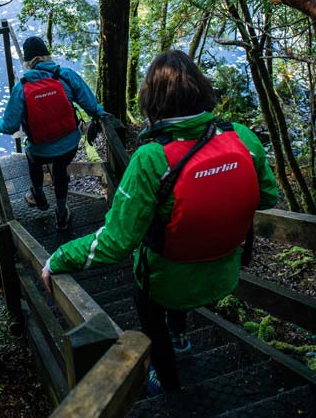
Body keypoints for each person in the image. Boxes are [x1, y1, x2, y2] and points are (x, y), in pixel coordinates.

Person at [41, 50, 278, 395]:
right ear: (201, 88)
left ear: (152, 100)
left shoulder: (152, 158)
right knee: (178, 250)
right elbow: (267, 196)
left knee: (149, 301)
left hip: (166, 282)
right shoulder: (242, 136)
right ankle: (181, 337)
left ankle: (167, 383)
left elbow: (116, 242)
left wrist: (58, 258)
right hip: (225, 272)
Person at [0, 36, 106, 231]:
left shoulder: (22, 87)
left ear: (27, 62)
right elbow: (91, 106)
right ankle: (61, 212)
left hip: (40, 150)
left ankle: (37, 194)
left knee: (32, 156)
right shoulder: (65, 75)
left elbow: (10, 126)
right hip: (69, 145)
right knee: (60, 168)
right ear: (47, 55)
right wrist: (101, 115)